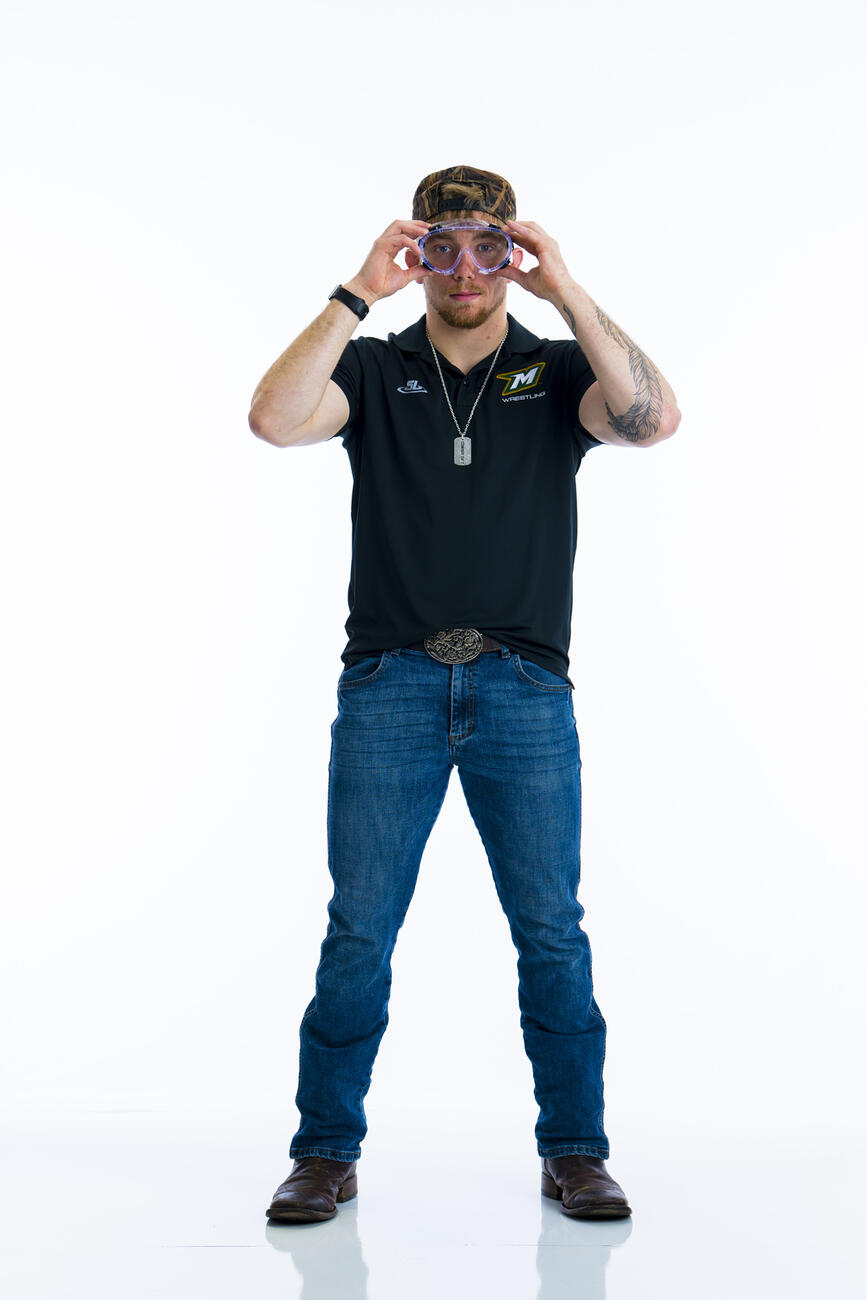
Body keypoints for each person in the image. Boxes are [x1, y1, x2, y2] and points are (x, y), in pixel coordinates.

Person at [249, 165, 681, 1225]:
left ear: (512, 253)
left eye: (489, 245)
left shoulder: (557, 367)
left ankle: (576, 1150)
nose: (466, 267)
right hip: (391, 682)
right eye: (443, 245)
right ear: (420, 251)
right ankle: (323, 1152)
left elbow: (654, 419)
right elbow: (271, 419)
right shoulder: (373, 364)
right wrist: (359, 288)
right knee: (360, 927)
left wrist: (568, 290)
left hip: (524, 687)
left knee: (551, 929)